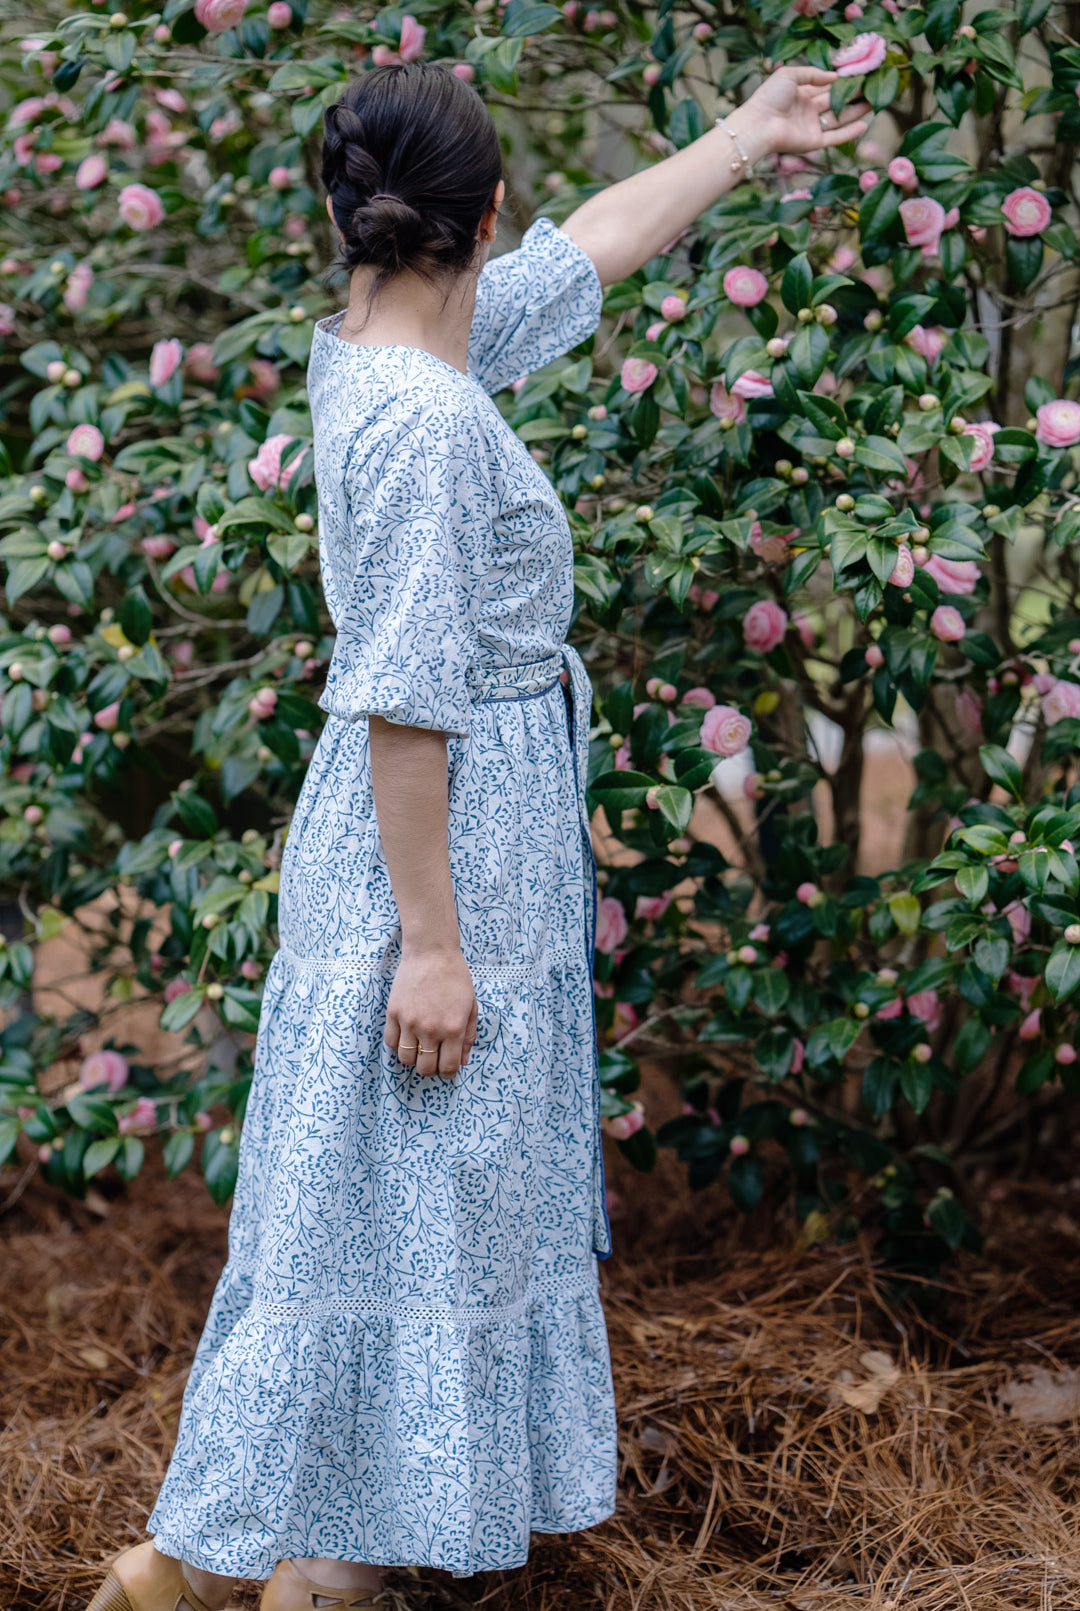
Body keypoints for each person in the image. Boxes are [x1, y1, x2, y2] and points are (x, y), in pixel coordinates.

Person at [88, 58, 867, 1611]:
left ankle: (292, 1562)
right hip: (430, 858)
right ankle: (243, 1565)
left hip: (441, 845)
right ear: (480, 212)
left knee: (388, 1205)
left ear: (354, 219)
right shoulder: (432, 426)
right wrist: (433, 948)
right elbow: (403, 702)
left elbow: (595, 252)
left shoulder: (392, 349)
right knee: (382, 1208)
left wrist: (740, 139)